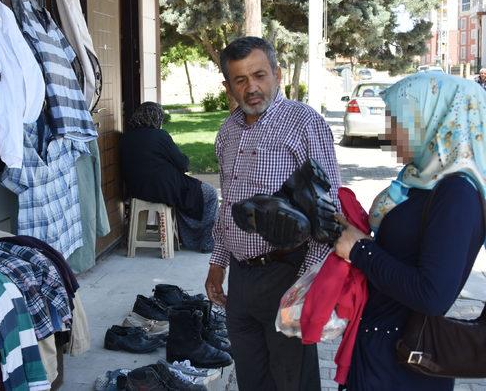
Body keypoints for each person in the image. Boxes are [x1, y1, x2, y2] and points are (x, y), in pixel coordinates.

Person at [333, 72, 486, 390]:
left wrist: (360, 250)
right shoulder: (422, 179)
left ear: (435, 119)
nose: (387, 134)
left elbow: (433, 296)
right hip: (379, 353)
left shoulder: (457, 192)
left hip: (404, 367)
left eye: (396, 122)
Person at [204, 36, 342, 390]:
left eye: (259, 75)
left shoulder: (304, 123)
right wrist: (217, 263)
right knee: (251, 378)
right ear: (228, 86)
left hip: (287, 272)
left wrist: (305, 280)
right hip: (242, 277)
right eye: (240, 79)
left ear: (277, 74)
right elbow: (228, 203)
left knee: (293, 380)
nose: (252, 87)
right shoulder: (228, 131)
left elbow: (331, 210)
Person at [120, 101, 219, 253]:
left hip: (137, 191)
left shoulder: (126, 138)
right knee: (210, 193)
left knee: (184, 195)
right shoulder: (159, 136)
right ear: (157, 118)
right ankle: (206, 242)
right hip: (164, 190)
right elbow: (182, 163)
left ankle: (187, 238)